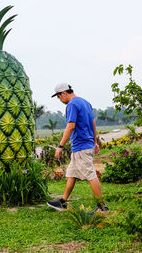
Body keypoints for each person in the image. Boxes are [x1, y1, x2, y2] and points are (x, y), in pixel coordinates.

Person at [46, 83, 108, 212]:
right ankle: (63, 202)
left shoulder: (72, 105)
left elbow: (71, 126)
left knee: (90, 174)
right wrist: (95, 141)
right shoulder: (85, 103)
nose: (60, 100)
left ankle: (102, 207)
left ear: (64, 93)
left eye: (59, 97)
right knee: (72, 173)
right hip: (85, 144)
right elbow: (93, 122)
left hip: (81, 145)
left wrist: (60, 146)